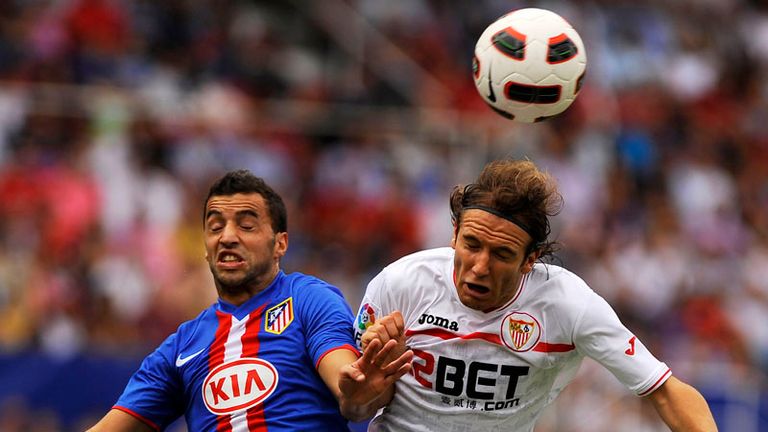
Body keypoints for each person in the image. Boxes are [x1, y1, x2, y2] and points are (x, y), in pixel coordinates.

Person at [344, 159, 718, 431]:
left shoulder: (567, 304)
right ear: (454, 233)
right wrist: (368, 389)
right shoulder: (400, 284)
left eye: (502, 254)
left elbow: (664, 390)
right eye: (471, 244)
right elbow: (354, 410)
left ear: (530, 260)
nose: (480, 266)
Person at [88, 169, 412, 432]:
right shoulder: (180, 348)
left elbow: (350, 390)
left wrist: (358, 393)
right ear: (205, 247)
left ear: (280, 244)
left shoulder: (309, 300)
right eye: (215, 227)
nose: (227, 237)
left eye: (246, 226)